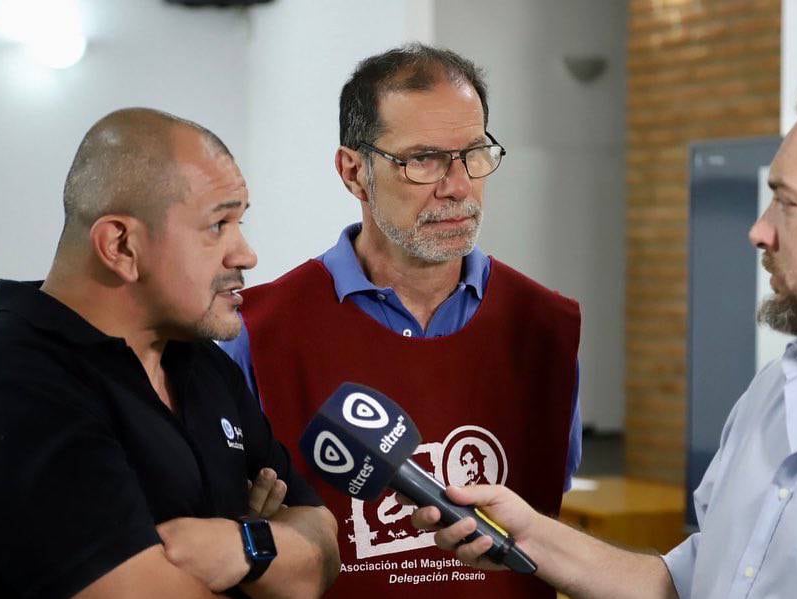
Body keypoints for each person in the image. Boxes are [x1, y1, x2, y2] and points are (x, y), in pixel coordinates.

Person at [413, 68, 797, 598]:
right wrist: (530, 534)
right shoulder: (779, 392)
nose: (759, 230)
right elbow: (689, 582)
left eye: (789, 203)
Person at [0, 108, 339, 598]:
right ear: (120, 245)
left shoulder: (203, 364)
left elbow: (321, 551)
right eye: (218, 225)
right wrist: (273, 556)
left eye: (240, 221)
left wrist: (241, 545)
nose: (245, 254)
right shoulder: (7, 382)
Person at [218, 43, 581, 597]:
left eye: (475, 153)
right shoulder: (256, 330)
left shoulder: (546, 328)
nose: (458, 186)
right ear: (353, 172)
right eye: (424, 159)